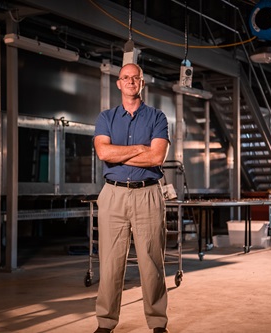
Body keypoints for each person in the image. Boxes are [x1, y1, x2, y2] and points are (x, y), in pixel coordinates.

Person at [92, 63, 171, 333]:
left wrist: (120, 151)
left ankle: (158, 323)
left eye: (135, 78)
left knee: (151, 261)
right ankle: (106, 323)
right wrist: (139, 148)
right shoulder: (105, 118)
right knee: (110, 261)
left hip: (147, 193)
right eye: (125, 78)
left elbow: (157, 156)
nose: (130, 81)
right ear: (119, 83)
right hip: (112, 194)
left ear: (142, 83)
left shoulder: (157, 117)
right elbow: (103, 153)